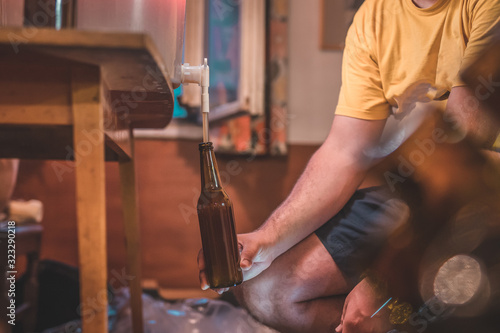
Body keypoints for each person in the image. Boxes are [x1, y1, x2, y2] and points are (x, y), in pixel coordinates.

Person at [198, 0, 500, 332]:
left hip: (483, 188)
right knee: (262, 292)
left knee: (425, 298)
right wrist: (267, 240)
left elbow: (461, 150)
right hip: (403, 191)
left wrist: (386, 287)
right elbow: (345, 151)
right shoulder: (373, 15)